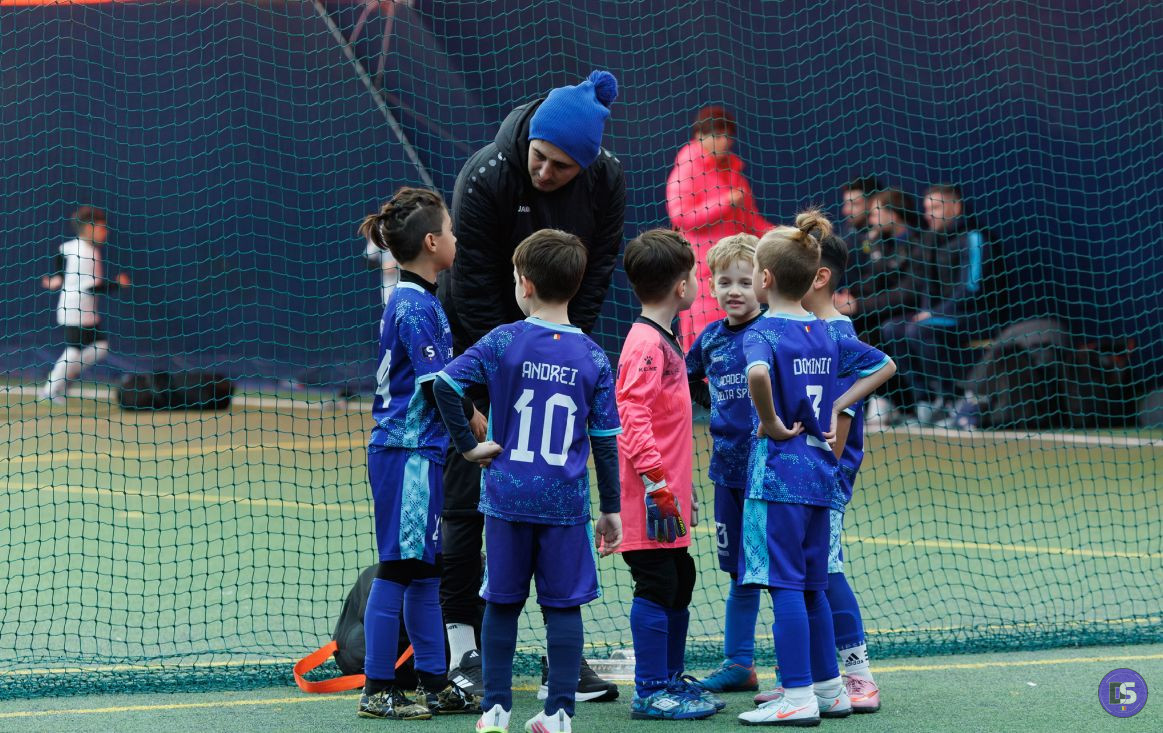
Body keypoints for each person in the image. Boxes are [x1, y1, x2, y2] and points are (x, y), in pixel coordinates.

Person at [436, 70, 625, 701]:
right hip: (483, 349)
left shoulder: (606, 180)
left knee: (554, 507)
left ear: (585, 165)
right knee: (468, 500)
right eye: (539, 158)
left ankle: (560, 658)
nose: (544, 172)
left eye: (560, 167)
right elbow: (470, 287)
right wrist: (502, 373)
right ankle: (463, 651)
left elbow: (596, 272)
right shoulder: (487, 175)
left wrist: (561, 348)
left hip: (551, 352)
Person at [432, 229, 624, 733]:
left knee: (501, 602)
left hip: (506, 500)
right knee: (563, 608)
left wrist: (468, 447)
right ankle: (558, 713)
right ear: (576, 285)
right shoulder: (595, 358)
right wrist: (612, 508)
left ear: (525, 284)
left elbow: (445, 384)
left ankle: (495, 710)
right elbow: (606, 441)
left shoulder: (504, 340)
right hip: (565, 506)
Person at [736, 211, 895, 726]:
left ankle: (803, 692)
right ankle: (828, 687)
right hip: (820, 477)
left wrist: (771, 422)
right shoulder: (825, 333)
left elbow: (757, 374)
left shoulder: (767, 332)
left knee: (790, 584)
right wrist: (834, 407)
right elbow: (885, 364)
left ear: (765, 278)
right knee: (814, 583)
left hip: (782, 477)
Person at [354, 187, 486, 720]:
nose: (456, 238)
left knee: (426, 572)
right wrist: (471, 440)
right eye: (450, 231)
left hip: (421, 455)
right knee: (398, 568)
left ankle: (435, 682)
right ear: (432, 242)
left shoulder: (423, 300)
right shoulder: (413, 305)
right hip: (406, 454)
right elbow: (436, 386)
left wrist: (466, 415)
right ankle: (378, 688)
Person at [611, 229, 719, 721]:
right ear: (681, 286)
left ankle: (670, 679)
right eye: (694, 274)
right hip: (647, 496)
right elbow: (631, 415)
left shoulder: (664, 338)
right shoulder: (646, 344)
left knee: (680, 577)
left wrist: (680, 486)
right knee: (656, 582)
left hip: (665, 493)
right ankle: (651, 690)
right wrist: (657, 484)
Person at [684, 234, 765, 694]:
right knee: (738, 573)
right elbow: (683, 377)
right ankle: (739, 663)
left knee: (782, 573)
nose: (734, 291)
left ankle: (808, 669)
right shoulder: (711, 338)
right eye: (724, 282)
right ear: (710, 285)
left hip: (771, 478)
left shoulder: (774, 333)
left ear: (765, 283)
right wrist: (710, 401)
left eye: (745, 282)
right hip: (726, 474)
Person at [882, 184, 1004, 423]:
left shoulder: (974, 238)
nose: (929, 214)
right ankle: (924, 402)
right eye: (927, 208)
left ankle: (951, 400)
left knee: (919, 329)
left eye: (936, 208)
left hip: (976, 317)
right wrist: (927, 311)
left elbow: (971, 288)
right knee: (892, 329)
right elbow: (927, 286)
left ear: (955, 207)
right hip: (939, 315)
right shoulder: (930, 240)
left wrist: (934, 313)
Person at [666, 106, 772, 347]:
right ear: (699, 136)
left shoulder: (733, 172)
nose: (723, 141)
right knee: (708, 342)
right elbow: (681, 215)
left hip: (739, 271)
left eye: (727, 135)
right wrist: (725, 202)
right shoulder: (687, 167)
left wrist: (782, 235)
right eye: (716, 135)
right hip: (703, 277)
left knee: (740, 340)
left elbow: (752, 222)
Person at [39, 206, 130, 405]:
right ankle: (50, 389)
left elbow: (61, 253)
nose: (105, 232)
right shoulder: (87, 254)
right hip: (75, 310)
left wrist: (58, 278)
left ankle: (63, 377)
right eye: (102, 228)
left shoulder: (74, 247)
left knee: (100, 347)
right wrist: (117, 284)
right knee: (74, 350)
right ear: (89, 228)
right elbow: (92, 287)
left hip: (85, 310)